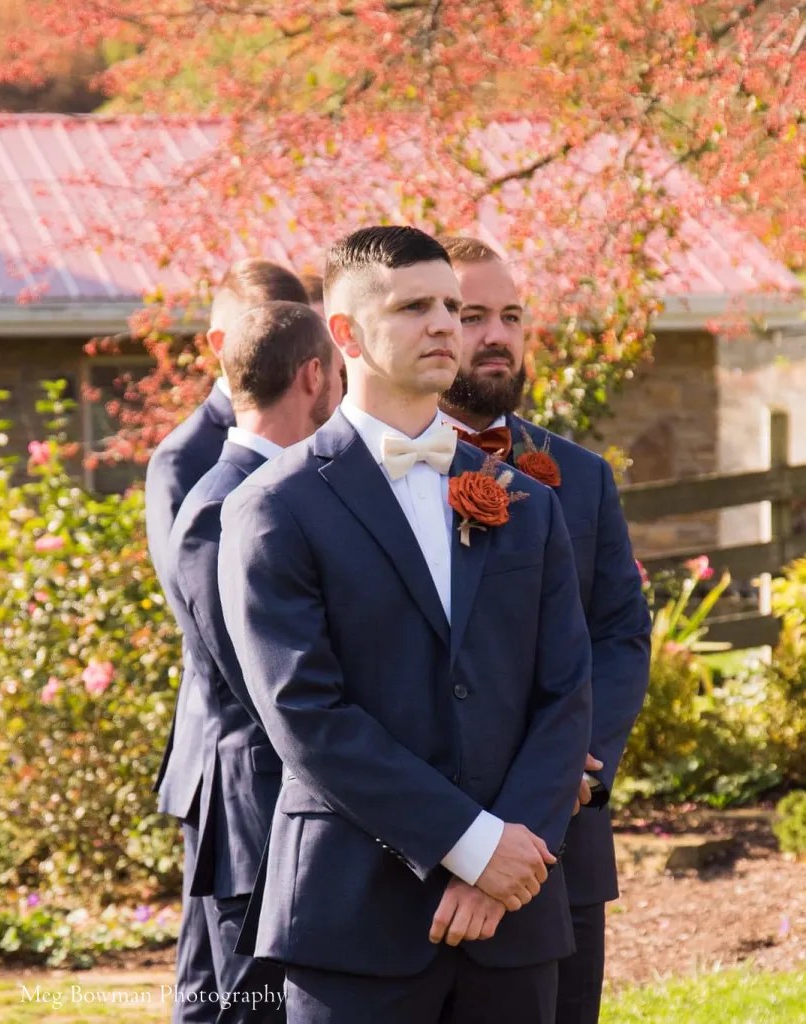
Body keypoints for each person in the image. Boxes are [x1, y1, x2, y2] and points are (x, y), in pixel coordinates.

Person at [218, 226, 593, 1024]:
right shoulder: (272, 507)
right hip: (353, 922)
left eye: (452, 307)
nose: (444, 326)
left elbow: (564, 690)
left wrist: (505, 859)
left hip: (515, 923)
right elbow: (304, 714)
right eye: (413, 306)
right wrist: (468, 845)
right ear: (345, 333)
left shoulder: (525, 502)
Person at [438, 235, 651, 1024]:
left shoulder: (580, 476)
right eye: (470, 315)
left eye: (511, 316)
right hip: (423, 852)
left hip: (564, 842)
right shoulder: (377, 477)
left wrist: (576, 771)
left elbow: (620, 634)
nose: (495, 334)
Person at [166, 302, 343, 1022]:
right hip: (260, 816)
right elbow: (262, 685)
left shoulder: (293, 489)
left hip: (298, 806)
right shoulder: (220, 504)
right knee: (254, 1012)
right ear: (311, 376)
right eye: (338, 371)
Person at [145, 260, 309, 1023]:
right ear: (222, 340)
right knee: (222, 980)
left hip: (263, 752)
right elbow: (205, 614)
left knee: (221, 981)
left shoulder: (312, 442)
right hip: (227, 751)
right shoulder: (189, 459)